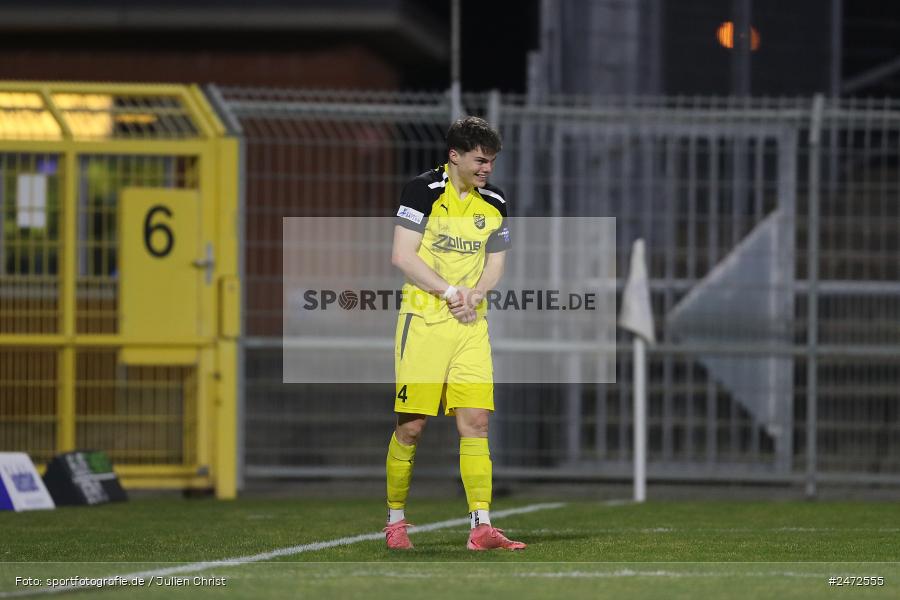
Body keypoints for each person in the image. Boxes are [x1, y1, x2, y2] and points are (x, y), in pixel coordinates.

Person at [383, 116, 524, 551]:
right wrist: (448, 292)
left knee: (476, 422)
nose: (487, 169)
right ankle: (396, 521)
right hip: (423, 321)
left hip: (469, 327)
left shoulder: (495, 200)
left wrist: (476, 295)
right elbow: (402, 256)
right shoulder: (422, 192)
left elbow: (496, 262)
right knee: (412, 428)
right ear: (455, 156)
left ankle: (481, 527)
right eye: (480, 161)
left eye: (492, 162)